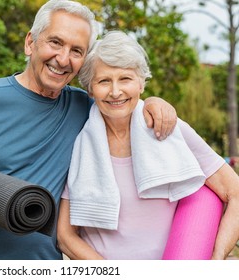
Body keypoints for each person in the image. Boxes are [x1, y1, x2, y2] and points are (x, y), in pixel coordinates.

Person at [0, 0, 177, 260]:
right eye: (55, 42)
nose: (63, 59)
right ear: (30, 42)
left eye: (76, 51)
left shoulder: (85, 108)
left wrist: (153, 102)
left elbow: (121, 97)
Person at [57, 30, 239, 260]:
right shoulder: (78, 142)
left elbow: (235, 192)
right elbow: (65, 236)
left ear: (141, 83)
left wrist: (217, 256)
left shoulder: (172, 130)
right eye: (104, 81)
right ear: (90, 89)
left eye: (125, 79)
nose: (115, 91)